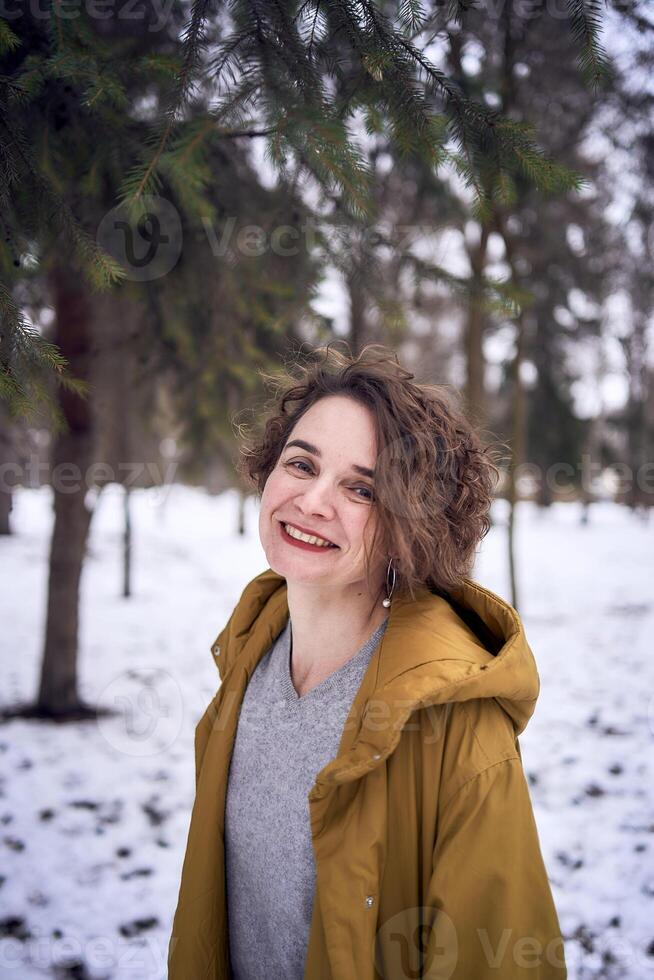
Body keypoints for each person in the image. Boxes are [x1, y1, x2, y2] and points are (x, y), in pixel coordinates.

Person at [168, 343, 567, 979]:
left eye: (361, 488)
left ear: (413, 525)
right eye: (301, 464)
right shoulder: (247, 661)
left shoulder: (459, 730)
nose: (314, 501)